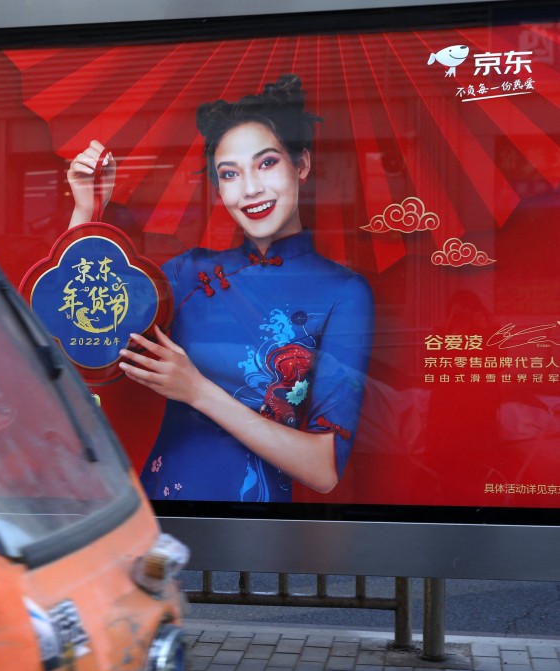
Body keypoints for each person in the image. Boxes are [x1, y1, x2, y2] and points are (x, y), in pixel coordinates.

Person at [67, 74, 374, 502]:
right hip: (162, 507)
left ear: (301, 165)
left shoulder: (343, 292)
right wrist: (87, 209)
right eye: (230, 174)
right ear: (219, 188)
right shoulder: (188, 273)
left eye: (267, 163)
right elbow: (85, 337)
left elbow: (324, 470)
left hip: (258, 523)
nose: (250, 189)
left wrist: (196, 391)